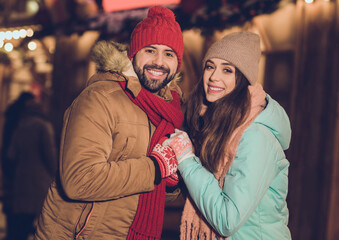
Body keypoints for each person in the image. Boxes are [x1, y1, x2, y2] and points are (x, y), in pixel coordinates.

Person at [34, 6, 184, 240]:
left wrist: (170, 181)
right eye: (150, 50)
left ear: (177, 64)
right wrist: (155, 168)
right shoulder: (100, 98)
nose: (159, 62)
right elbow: (79, 180)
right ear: (133, 54)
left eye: (169, 54)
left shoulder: (167, 112)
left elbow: (145, 192)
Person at [165, 32, 292, 239]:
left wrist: (186, 159)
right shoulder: (215, 126)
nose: (214, 76)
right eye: (210, 66)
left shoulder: (255, 136)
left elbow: (227, 220)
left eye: (227, 70)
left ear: (242, 79)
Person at [6, 95, 57, 240]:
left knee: (22, 221)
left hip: (21, 179)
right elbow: (50, 154)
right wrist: (56, 175)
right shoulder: (44, 126)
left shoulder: (21, 125)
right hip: (40, 180)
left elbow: (11, 153)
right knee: (42, 222)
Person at [1, 91, 36, 240]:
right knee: (15, 193)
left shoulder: (13, 112)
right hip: (14, 158)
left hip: (8, 156)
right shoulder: (21, 116)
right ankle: (16, 229)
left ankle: (13, 227)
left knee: (11, 193)